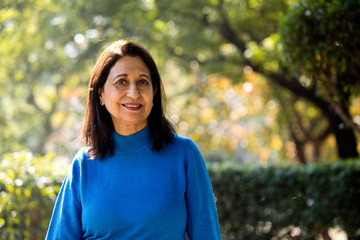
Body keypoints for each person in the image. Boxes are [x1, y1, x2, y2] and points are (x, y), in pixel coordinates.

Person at [46, 39, 222, 239]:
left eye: (142, 82)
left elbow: (207, 234)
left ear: (154, 92)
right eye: (121, 81)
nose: (134, 93)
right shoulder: (83, 165)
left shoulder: (184, 154)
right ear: (101, 94)